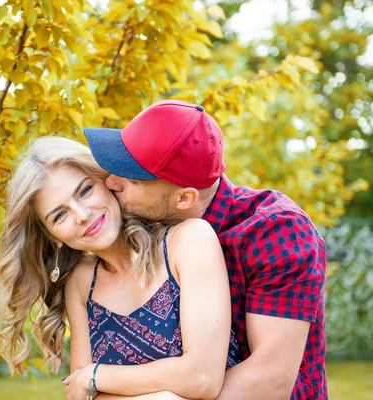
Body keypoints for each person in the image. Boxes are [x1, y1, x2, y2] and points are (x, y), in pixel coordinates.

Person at [78, 100, 328, 399]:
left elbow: (269, 379)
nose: (111, 183)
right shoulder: (143, 231)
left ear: (184, 198)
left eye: (131, 179)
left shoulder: (276, 232)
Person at [0, 136, 241, 400]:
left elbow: (202, 378)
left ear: (108, 182)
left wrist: (96, 376)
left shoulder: (187, 241)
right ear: (53, 236)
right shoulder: (82, 283)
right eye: (60, 215)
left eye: (85, 191)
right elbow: (82, 395)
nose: (82, 215)